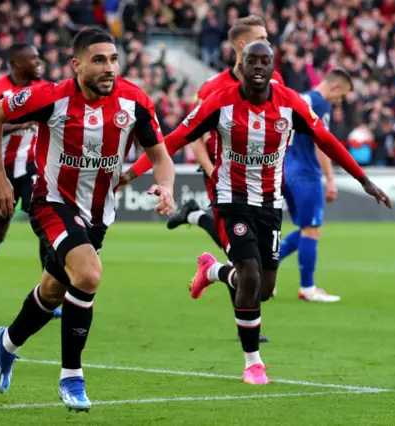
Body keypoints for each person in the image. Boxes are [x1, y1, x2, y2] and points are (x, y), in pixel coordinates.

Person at [121, 41, 391, 385]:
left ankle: (214, 270)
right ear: (242, 65)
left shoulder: (290, 103)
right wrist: (131, 173)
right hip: (229, 199)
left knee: (263, 288)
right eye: (253, 61)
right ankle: (253, 363)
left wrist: (363, 179)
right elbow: (173, 140)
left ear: (272, 66)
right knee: (249, 273)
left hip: (268, 204)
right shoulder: (219, 103)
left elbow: (326, 140)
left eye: (266, 61)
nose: (259, 67)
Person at [0, 28, 175, 411]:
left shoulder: (134, 102)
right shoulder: (50, 98)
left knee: (53, 290)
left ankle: (7, 342)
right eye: (99, 60)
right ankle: (72, 376)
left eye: (114, 59)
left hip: (98, 214)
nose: (109, 67)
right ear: (77, 64)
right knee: (88, 275)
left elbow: (160, 156)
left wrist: (165, 186)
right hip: (52, 201)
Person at [120, 14, 283, 344]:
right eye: (262, 36)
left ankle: (206, 250)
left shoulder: (273, 78)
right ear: (242, 44)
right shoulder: (213, 88)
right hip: (222, 178)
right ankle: (250, 332)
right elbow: (191, 133)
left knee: (258, 275)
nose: (268, 42)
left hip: (261, 185)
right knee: (242, 255)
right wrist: (209, 168)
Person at [0, 42, 52, 308]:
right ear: (17, 63)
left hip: (32, 167)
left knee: (44, 224)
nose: (39, 62)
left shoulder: (44, 89)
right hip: (1, 171)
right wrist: (22, 123)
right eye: (33, 58)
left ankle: (48, 290)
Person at [280, 70, 354, 302]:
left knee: (304, 228)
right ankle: (308, 288)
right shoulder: (320, 104)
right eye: (341, 95)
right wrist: (330, 179)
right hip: (306, 172)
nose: (339, 101)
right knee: (312, 229)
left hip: (284, 170)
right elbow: (322, 144)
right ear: (334, 87)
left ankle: (264, 268)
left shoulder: (300, 98)